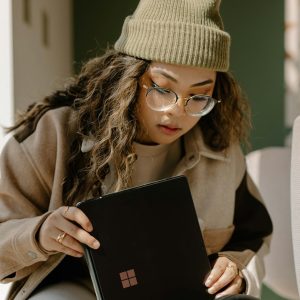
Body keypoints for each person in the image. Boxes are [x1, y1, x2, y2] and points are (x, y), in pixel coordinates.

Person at [0, 0, 272, 299]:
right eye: (162, 89)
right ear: (127, 76)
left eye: (199, 96)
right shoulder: (55, 133)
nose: (177, 112)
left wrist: (236, 270)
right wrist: (39, 234)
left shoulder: (221, 151)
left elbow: (254, 239)